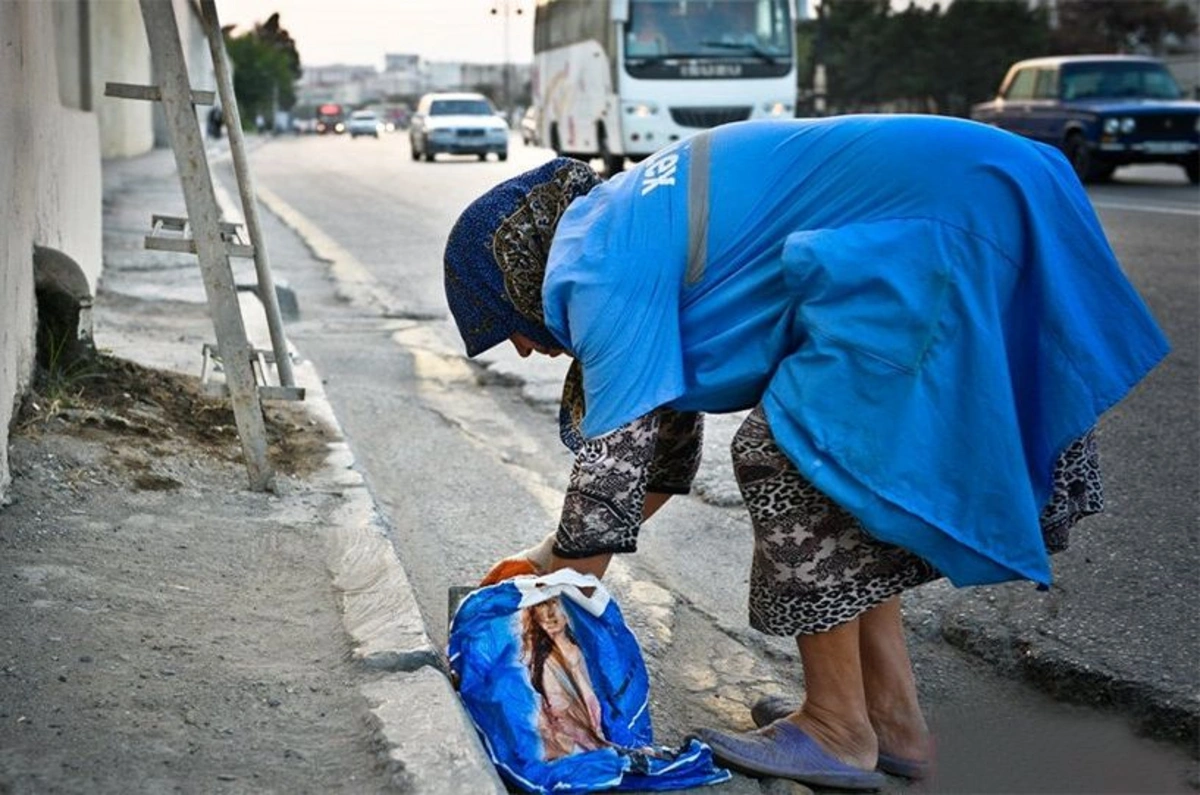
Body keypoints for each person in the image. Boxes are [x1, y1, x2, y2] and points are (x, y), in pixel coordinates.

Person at [442, 116, 1169, 791]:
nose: (525, 346)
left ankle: (835, 727)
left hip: (956, 214)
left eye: (506, 323)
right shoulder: (617, 223)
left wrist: (514, 612)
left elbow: (608, 497)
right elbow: (655, 462)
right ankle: (890, 720)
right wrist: (534, 564)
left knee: (793, 448)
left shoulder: (595, 265)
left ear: (514, 273)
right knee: (847, 470)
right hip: (986, 188)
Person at [520, 597, 609, 760]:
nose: (549, 614)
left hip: (586, 734)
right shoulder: (541, 661)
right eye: (540, 604)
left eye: (554, 603)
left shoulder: (583, 652)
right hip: (565, 739)